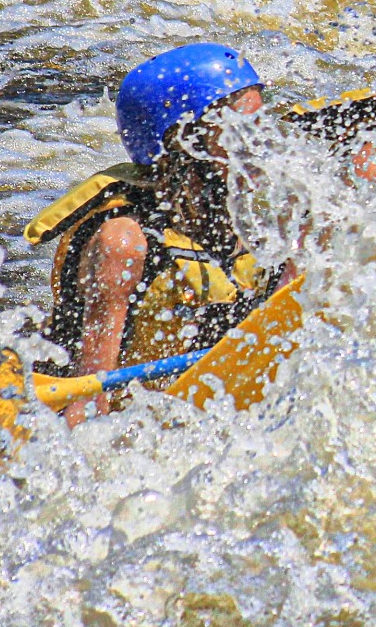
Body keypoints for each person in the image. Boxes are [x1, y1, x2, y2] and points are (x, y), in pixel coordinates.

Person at [25, 43, 282, 425]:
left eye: (263, 121)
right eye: (242, 128)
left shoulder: (258, 222)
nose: (264, 142)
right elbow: (87, 397)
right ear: (183, 141)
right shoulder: (124, 242)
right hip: (129, 425)